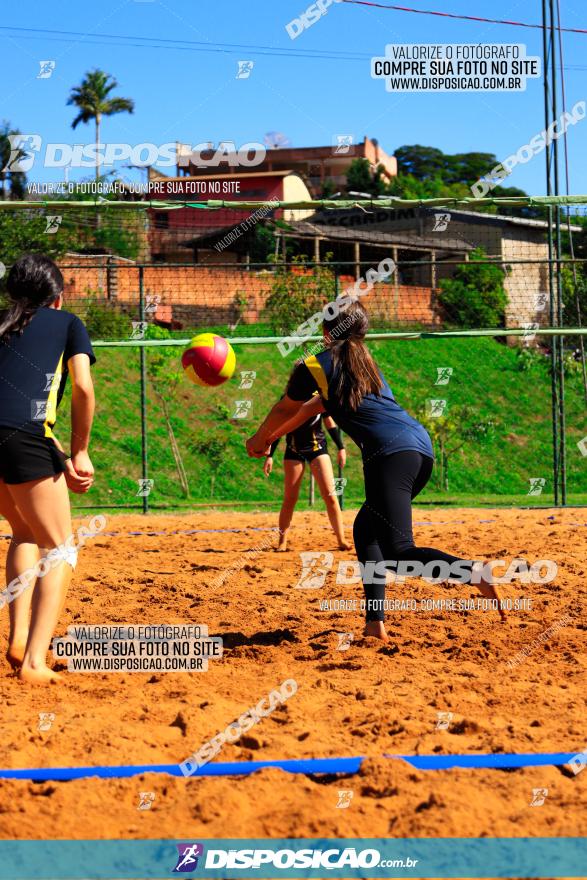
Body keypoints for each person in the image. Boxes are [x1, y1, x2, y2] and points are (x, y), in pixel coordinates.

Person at [246, 299, 503, 642]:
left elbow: (285, 407)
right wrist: (272, 437)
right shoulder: (366, 365)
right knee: (366, 531)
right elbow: (312, 408)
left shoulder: (316, 364)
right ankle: (374, 625)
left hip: (390, 458)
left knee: (399, 552)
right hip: (418, 450)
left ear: (326, 332)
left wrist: (259, 438)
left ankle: (473, 572)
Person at [0, 253, 96, 684]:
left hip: (14, 434)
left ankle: (18, 641)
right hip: (23, 436)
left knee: (22, 533)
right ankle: (35, 663)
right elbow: (82, 387)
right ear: (57, 299)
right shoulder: (68, 323)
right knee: (60, 549)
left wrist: (52, 443)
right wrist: (80, 452)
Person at [263, 399, 349, 551]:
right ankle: (282, 542)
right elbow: (277, 429)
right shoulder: (289, 399)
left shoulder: (318, 398)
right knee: (290, 498)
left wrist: (341, 447)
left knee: (330, 496)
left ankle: (341, 540)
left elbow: (329, 423)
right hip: (294, 450)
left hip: (317, 449)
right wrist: (270, 456)